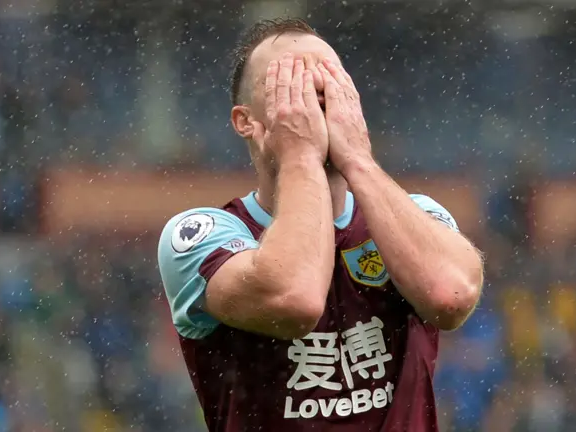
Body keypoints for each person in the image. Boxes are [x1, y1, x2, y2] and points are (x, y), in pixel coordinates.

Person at [157, 18, 484, 432]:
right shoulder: (203, 236)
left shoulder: (415, 215)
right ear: (246, 120)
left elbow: (450, 296)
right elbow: (295, 300)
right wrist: (299, 155)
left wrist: (359, 159)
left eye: (330, 83)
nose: (317, 101)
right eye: (290, 86)